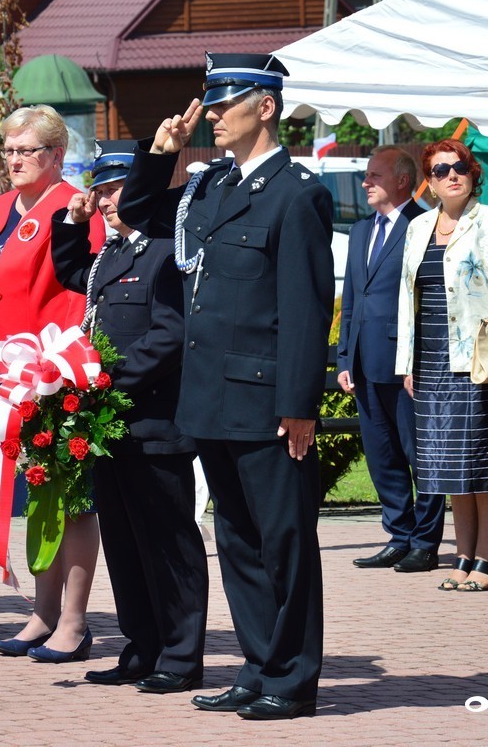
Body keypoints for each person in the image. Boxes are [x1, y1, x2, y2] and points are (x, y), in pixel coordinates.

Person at [119, 53, 333, 720]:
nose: (211, 114)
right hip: (210, 395)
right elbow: (140, 212)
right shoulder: (210, 187)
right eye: (209, 104)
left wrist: (299, 405)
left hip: (266, 400)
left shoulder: (297, 193)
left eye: (223, 103)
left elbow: (306, 308)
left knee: (283, 541)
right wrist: (162, 154)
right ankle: (258, 665)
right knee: (237, 539)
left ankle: (292, 679)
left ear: (265, 107)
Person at [51, 140, 209, 692]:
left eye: (117, 188)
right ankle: (142, 647)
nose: (107, 200)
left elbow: (170, 334)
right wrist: (73, 224)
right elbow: (72, 272)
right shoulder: (114, 254)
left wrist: (106, 382)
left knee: (167, 543)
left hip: (154, 424)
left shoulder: (166, 250)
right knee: (124, 544)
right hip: (111, 426)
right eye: (100, 190)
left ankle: (181, 656)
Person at [0, 105, 104, 663]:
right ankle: (42, 614)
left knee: (70, 498)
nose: (14, 159)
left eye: (26, 150)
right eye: (8, 150)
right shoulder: (3, 206)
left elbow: (82, 292)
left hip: (51, 377)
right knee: (33, 494)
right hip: (3, 376)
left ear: (55, 155)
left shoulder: (73, 206)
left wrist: (59, 371)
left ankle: (73, 621)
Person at [396, 139, 488, 593]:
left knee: (483, 460)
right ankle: (462, 554)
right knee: (449, 464)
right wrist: (407, 363)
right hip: (432, 358)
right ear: (430, 182)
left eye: (459, 167)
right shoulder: (417, 227)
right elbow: (407, 300)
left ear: (473, 174)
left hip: (480, 358)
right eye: (440, 170)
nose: (451, 175)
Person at [337, 146, 444, 572]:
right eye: (366, 175)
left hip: (406, 365)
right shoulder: (360, 230)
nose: (366, 182)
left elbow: (430, 298)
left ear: (402, 180)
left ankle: (425, 542)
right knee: (382, 456)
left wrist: (420, 359)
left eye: (374, 175)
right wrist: (345, 357)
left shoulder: (425, 224)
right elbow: (352, 298)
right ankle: (399, 536)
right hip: (364, 363)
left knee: (420, 455)